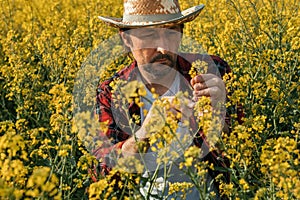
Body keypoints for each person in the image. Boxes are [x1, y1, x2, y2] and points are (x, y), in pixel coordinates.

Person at [92, 0, 232, 199]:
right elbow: (102, 177)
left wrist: (217, 117)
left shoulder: (212, 70)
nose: (164, 49)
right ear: (126, 39)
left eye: (171, 34)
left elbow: (243, 160)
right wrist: (144, 135)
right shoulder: (111, 93)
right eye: (149, 36)